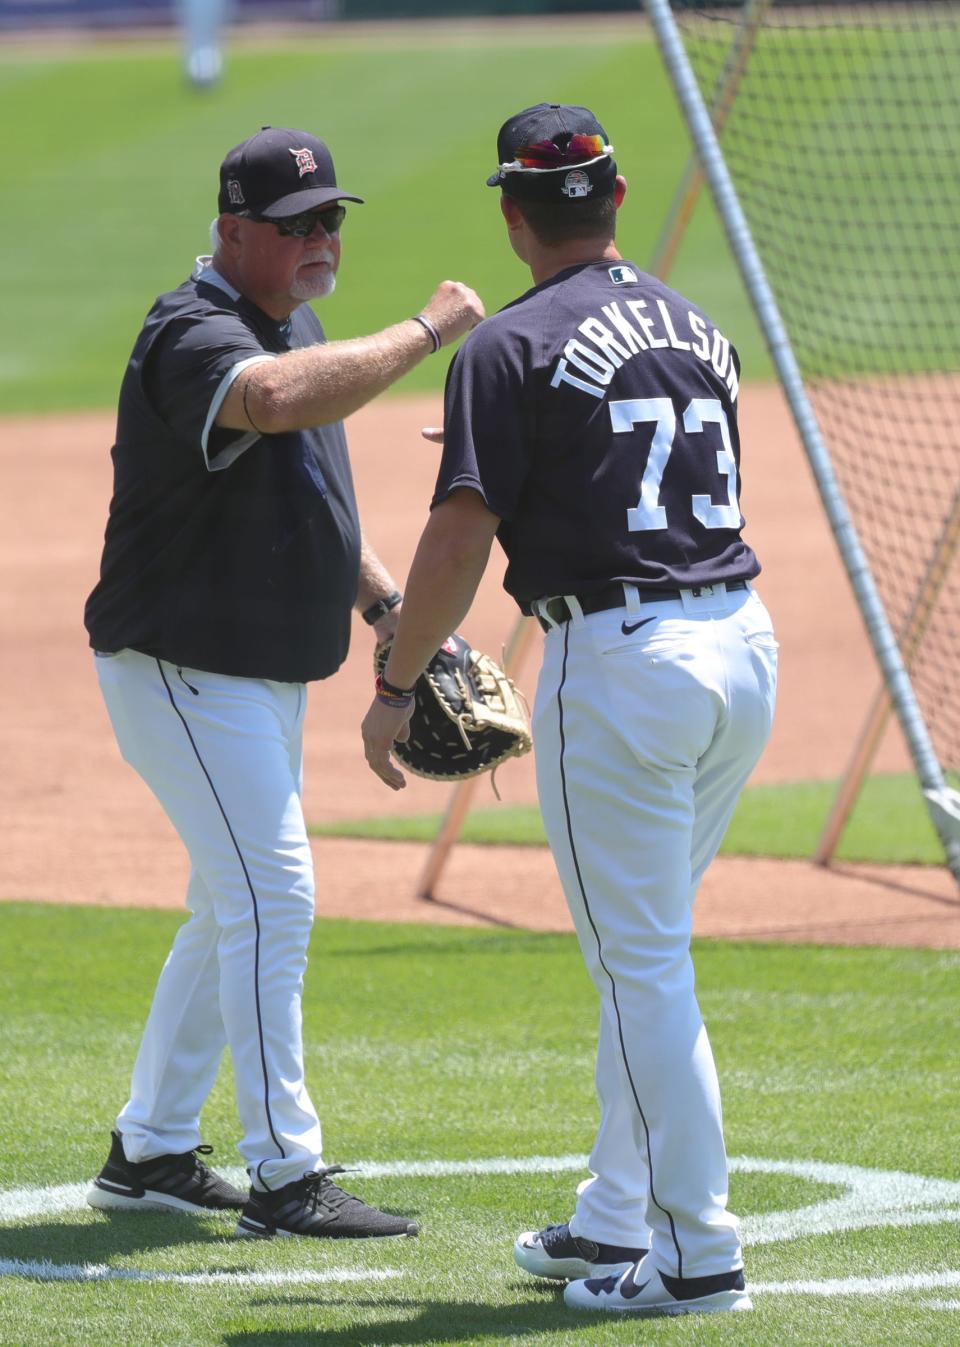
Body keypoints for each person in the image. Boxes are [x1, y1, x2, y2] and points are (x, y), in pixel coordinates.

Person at [361, 103, 777, 1314]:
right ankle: (611, 1221)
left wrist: (395, 686)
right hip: (741, 648)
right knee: (636, 954)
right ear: (619, 194)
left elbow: (455, 538)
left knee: (640, 965)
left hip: (625, 667)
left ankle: (698, 1252)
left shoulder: (506, 347)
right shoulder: (697, 327)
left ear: (509, 213)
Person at [83, 125, 483, 1241]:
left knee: (232, 907)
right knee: (275, 895)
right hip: (180, 668)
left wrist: (389, 609)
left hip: (252, 671)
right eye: (295, 225)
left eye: (332, 221)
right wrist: (427, 329)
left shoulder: (287, 325)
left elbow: (310, 491)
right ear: (230, 233)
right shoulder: (195, 333)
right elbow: (276, 404)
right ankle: (286, 1174)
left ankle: (150, 1150)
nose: (320, 241)